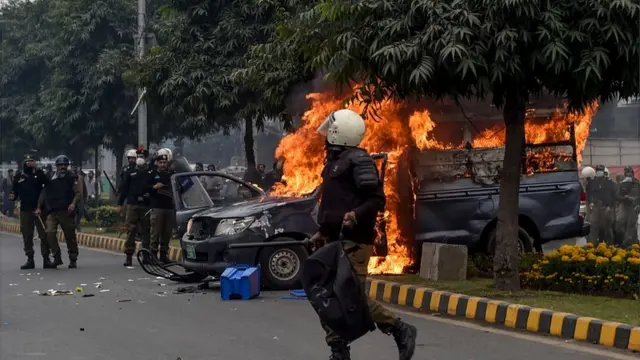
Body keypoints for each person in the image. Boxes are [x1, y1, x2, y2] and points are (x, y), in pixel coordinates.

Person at [310, 109, 416, 360]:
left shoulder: (359, 161)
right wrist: (322, 231)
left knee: (350, 297)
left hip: (355, 241)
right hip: (334, 239)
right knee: (327, 295)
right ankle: (338, 350)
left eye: (330, 131)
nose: (325, 136)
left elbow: (376, 199)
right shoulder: (334, 162)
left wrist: (356, 214)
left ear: (340, 134)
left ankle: (399, 328)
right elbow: (333, 203)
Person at [10, 155, 56, 269]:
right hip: (26, 210)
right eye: (27, 162)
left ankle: (46, 258)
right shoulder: (18, 177)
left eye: (32, 162)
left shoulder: (38, 175)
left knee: (44, 235)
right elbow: (14, 192)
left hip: (39, 210)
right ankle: (30, 259)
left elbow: (48, 183)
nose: (29, 164)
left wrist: (38, 169)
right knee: (27, 235)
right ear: (24, 164)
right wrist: (12, 196)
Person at [37, 155, 81, 268]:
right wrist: (38, 206)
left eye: (64, 165)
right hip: (52, 211)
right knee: (50, 233)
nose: (62, 167)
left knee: (69, 236)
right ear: (56, 166)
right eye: (60, 165)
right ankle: (57, 256)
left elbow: (78, 193)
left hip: (66, 211)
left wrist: (73, 204)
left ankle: (73, 258)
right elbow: (44, 193)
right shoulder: (50, 177)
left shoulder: (72, 177)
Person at [118, 154, 151, 266]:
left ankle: (146, 256)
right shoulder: (130, 173)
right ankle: (128, 256)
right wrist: (120, 203)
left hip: (145, 205)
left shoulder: (149, 174)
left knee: (146, 231)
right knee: (131, 230)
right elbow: (124, 189)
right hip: (132, 204)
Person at [146, 153, 175, 263]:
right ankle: (153, 255)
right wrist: (154, 187)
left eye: (164, 162)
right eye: (160, 162)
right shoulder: (152, 174)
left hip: (169, 207)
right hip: (157, 207)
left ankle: (164, 255)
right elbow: (145, 188)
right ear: (157, 163)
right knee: (155, 233)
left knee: (167, 233)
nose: (162, 165)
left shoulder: (171, 174)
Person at [586, 164, 617, 244]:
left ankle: (610, 246)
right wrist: (591, 203)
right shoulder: (592, 182)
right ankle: (592, 247)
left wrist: (610, 206)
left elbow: (614, 195)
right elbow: (589, 194)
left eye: (601, 170)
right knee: (594, 227)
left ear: (603, 171)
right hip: (596, 208)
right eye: (598, 170)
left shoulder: (610, 182)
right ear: (596, 171)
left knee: (607, 229)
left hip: (607, 208)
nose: (599, 171)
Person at [615, 166, 640, 247]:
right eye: (626, 172)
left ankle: (629, 244)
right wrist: (624, 197)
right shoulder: (622, 183)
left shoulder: (637, 183)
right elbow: (617, 196)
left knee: (631, 226)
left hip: (633, 207)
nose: (628, 174)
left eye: (629, 172)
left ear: (632, 173)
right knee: (619, 222)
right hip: (624, 206)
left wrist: (636, 201)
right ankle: (621, 240)